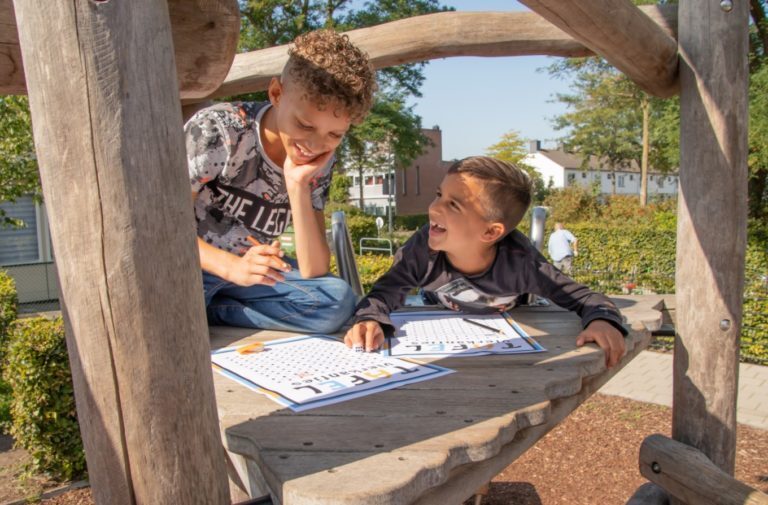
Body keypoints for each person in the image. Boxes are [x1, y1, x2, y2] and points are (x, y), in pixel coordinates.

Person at [344, 156, 626, 368]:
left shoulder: (521, 263)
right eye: (439, 195)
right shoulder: (421, 250)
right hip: (440, 334)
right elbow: (386, 290)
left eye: (453, 205)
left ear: (491, 232)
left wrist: (602, 320)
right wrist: (369, 318)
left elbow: (584, 297)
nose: (433, 208)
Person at [185, 29, 377, 333]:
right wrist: (232, 267)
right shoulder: (220, 131)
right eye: (304, 124)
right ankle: (200, 309)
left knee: (337, 301)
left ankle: (212, 312)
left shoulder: (321, 161)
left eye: (334, 135)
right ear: (276, 94)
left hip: (251, 278)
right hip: (191, 269)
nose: (314, 145)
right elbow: (163, 228)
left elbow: (315, 268)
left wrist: (297, 184)